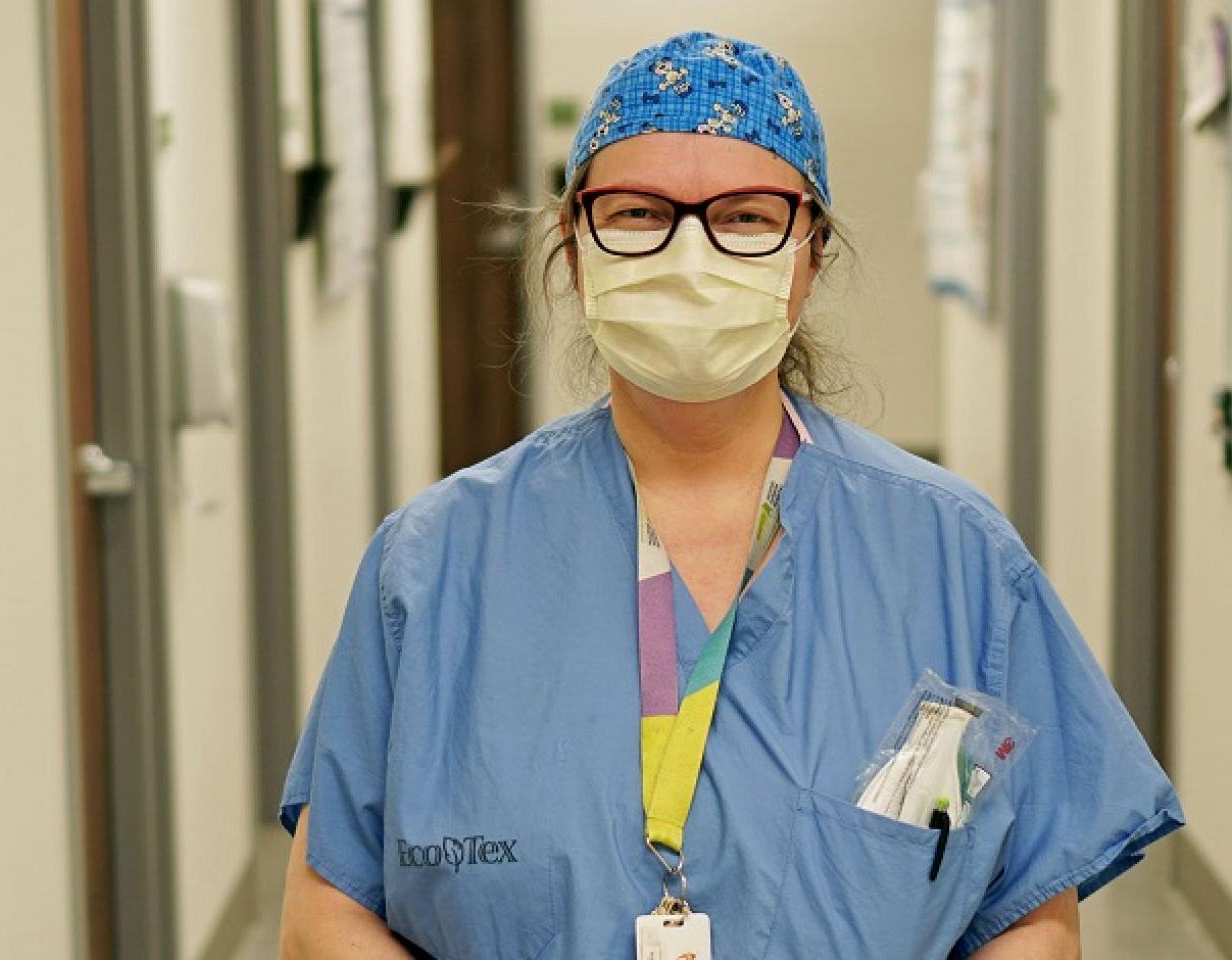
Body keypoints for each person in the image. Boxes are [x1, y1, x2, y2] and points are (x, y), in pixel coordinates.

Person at [278, 30, 1181, 959]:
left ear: (811, 256)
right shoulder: (434, 563)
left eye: (746, 217)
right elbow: (325, 914)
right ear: (575, 246)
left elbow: (1031, 912)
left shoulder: (954, 557)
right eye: (636, 213)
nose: (690, 253)